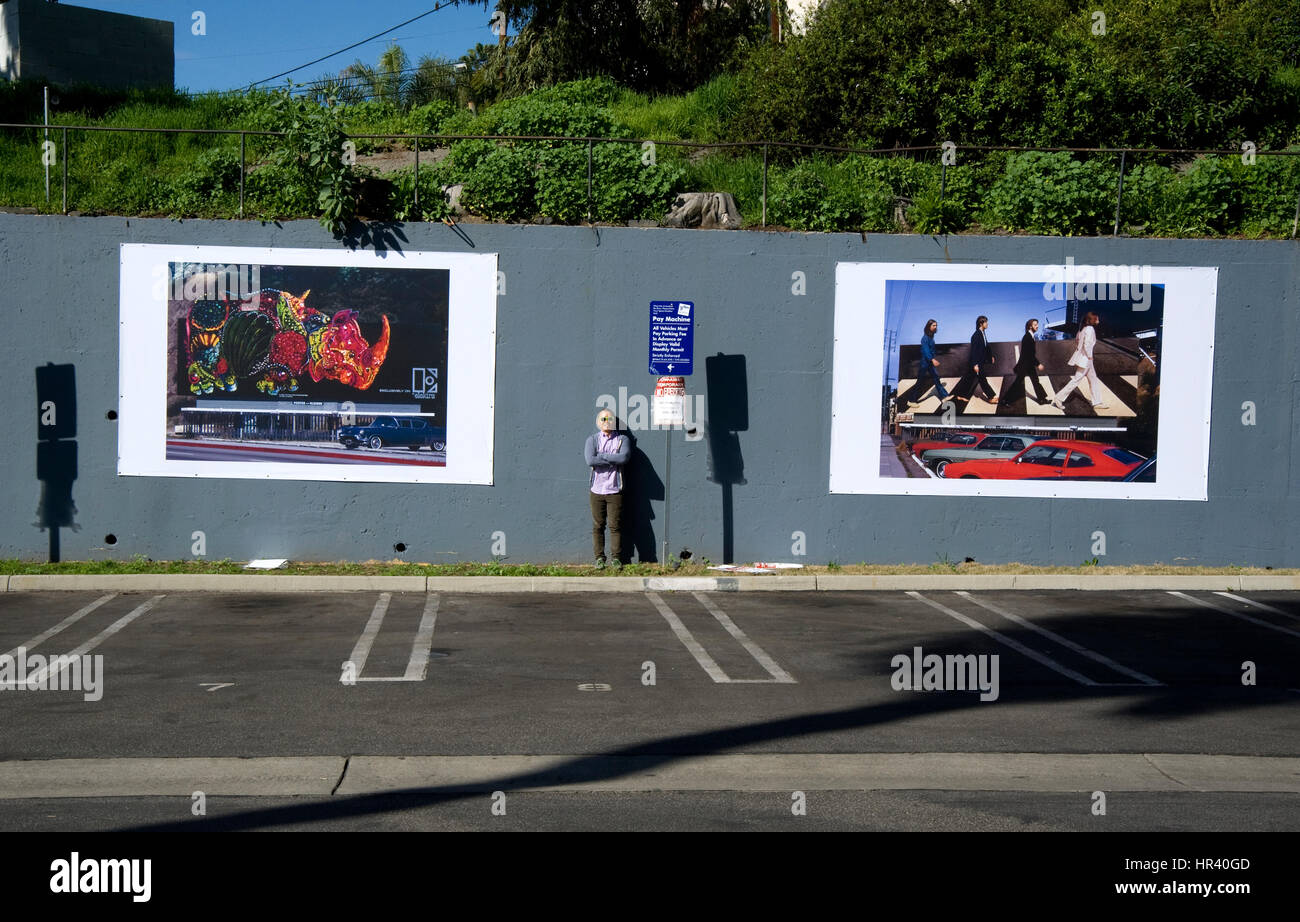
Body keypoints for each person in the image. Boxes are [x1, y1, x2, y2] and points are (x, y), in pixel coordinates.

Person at [584, 410, 630, 568]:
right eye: (603, 418)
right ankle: (599, 558)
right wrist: (612, 459)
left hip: (614, 489)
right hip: (596, 490)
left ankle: (616, 558)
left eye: (609, 418)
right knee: (598, 525)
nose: (606, 421)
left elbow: (623, 458)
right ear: (598, 422)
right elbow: (590, 460)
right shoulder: (592, 440)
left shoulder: (622, 439)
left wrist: (602, 456)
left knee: (615, 525)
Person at [1052, 311, 1108, 410]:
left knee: (1093, 380)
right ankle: (1058, 398)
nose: (1098, 320)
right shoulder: (1090, 329)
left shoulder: (1082, 330)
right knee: (1076, 380)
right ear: (1091, 320)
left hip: (1084, 358)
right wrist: (1090, 357)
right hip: (1086, 359)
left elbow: (1077, 342)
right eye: (1096, 318)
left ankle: (1097, 402)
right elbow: (1087, 345)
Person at [1006, 318, 1049, 405]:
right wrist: (1038, 364)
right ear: (1030, 327)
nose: (1037, 326)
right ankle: (1006, 400)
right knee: (1018, 383)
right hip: (1024, 365)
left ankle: (1042, 399)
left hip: (1028, 365)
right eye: (1035, 325)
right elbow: (1029, 354)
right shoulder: (1027, 338)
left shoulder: (1030, 336)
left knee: (1035, 381)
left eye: (1037, 324)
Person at [957, 315, 998, 404]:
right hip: (977, 362)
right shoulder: (976, 336)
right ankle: (991, 397)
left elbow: (986, 347)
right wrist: (975, 364)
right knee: (982, 379)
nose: (987, 324)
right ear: (981, 323)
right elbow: (974, 351)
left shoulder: (983, 334)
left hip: (980, 361)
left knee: (968, 378)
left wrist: (990, 357)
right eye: (986, 322)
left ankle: (961, 395)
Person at [918, 319, 949, 402]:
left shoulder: (930, 337)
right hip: (925, 363)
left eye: (936, 325)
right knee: (920, 382)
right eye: (933, 325)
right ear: (929, 326)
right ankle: (911, 400)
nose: (935, 327)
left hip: (929, 362)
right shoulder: (925, 338)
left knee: (936, 378)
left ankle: (944, 397)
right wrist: (932, 359)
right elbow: (925, 350)